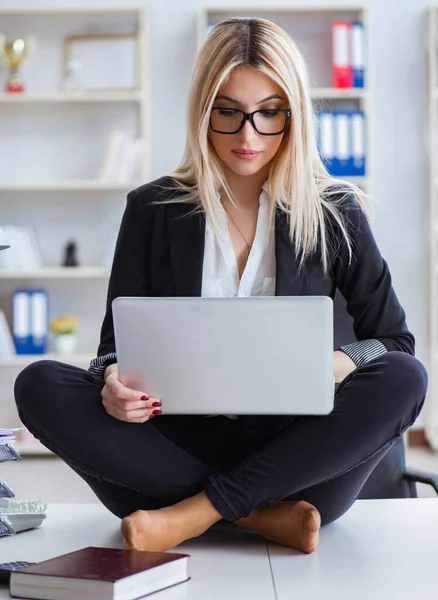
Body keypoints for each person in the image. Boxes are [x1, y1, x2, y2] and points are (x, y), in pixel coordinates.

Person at [14, 17, 427, 555]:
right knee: (38, 383)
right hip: (173, 442)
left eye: (268, 113)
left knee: (404, 378)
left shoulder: (335, 211)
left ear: (294, 114)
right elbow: (111, 350)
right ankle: (261, 516)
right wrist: (114, 382)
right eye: (228, 112)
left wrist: (339, 362)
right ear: (202, 111)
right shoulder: (152, 208)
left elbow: (394, 342)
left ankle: (194, 513)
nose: (248, 135)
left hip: (297, 452)